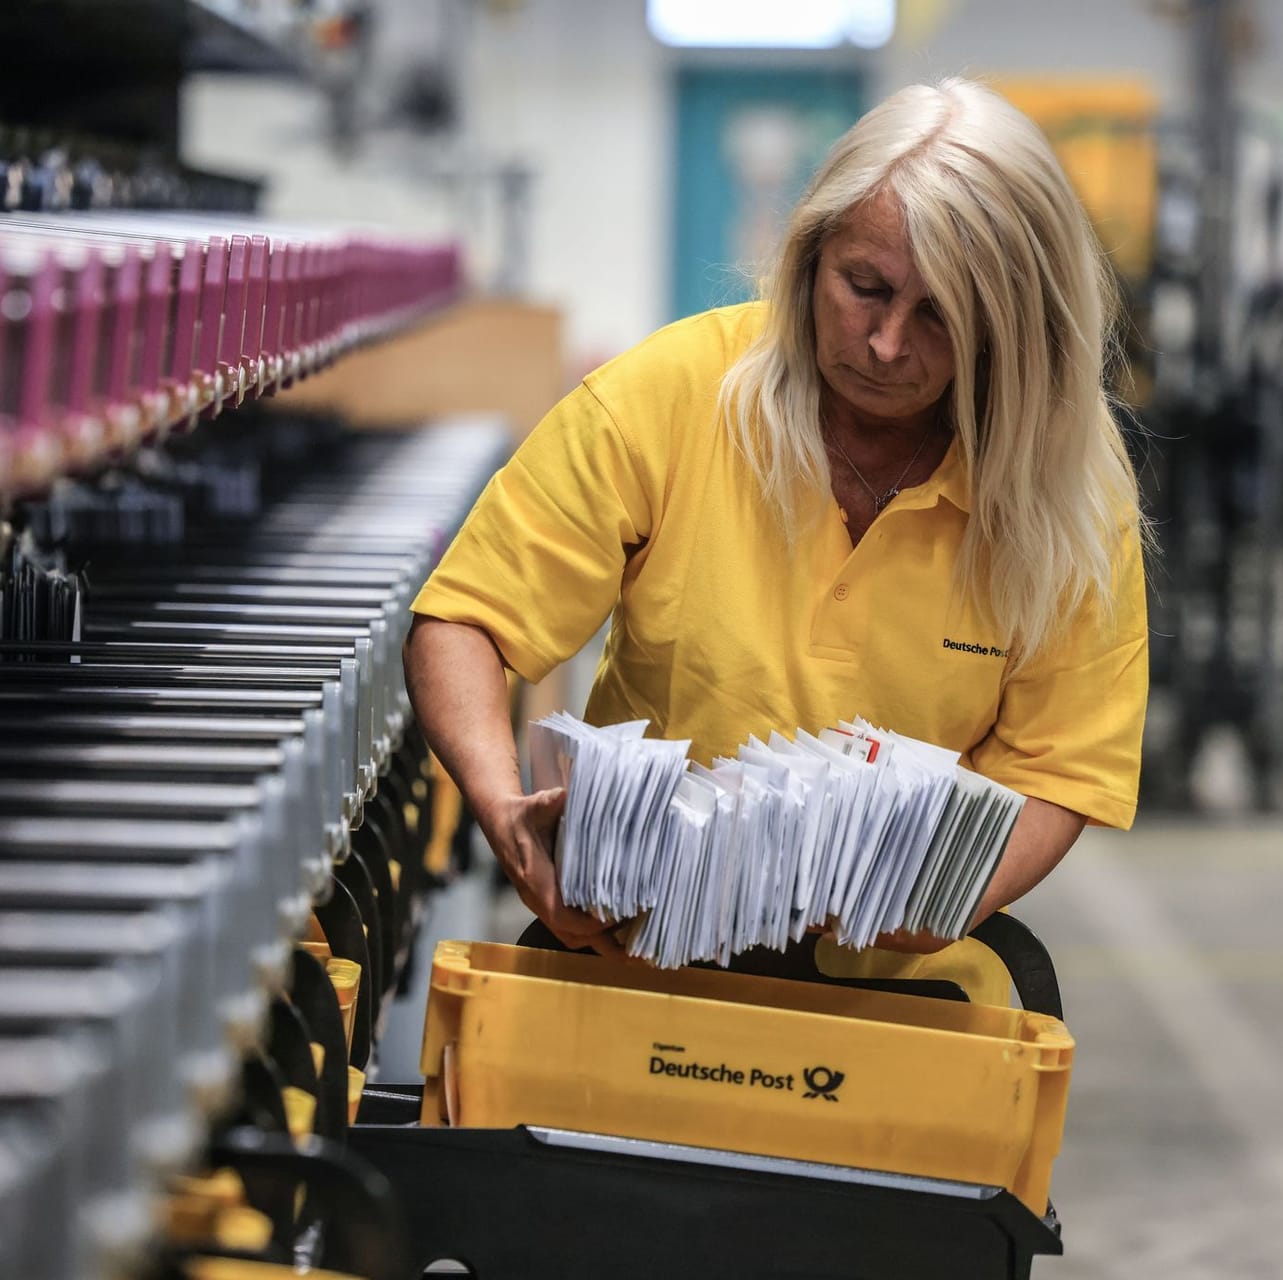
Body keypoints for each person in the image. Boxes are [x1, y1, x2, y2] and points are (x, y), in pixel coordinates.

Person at [404, 78, 1149, 1002]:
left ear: (1012, 325)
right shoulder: (673, 397)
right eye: (864, 287)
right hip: (630, 957)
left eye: (940, 316)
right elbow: (466, 620)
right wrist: (501, 806)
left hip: (903, 986)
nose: (883, 343)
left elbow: (1062, 763)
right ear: (809, 256)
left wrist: (954, 898)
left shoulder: (1067, 488)